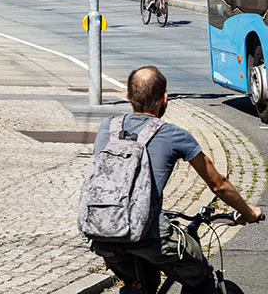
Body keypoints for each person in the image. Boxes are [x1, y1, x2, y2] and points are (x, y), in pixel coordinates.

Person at [87, 66, 262, 293]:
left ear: (128, 96)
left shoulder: (106, 127)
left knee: (144, 283)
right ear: (164, 99)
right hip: (149, 237)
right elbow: (218, 184)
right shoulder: (174, 135)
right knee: (200, 276)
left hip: (101, 234)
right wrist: (248, 213)